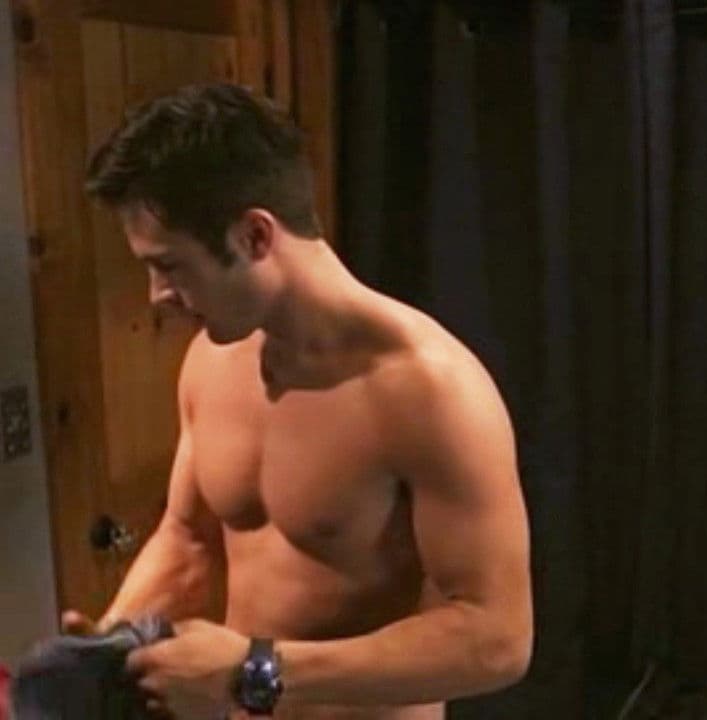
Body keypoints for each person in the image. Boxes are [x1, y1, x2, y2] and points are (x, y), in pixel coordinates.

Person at [64, 82, 533, 719]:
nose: (156, 296)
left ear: (256, 236)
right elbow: (190, 541)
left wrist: (256, 670)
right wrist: (106, 649)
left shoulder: (427, 389)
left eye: (171, 266)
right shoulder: (210, 360)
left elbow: (497, 638)